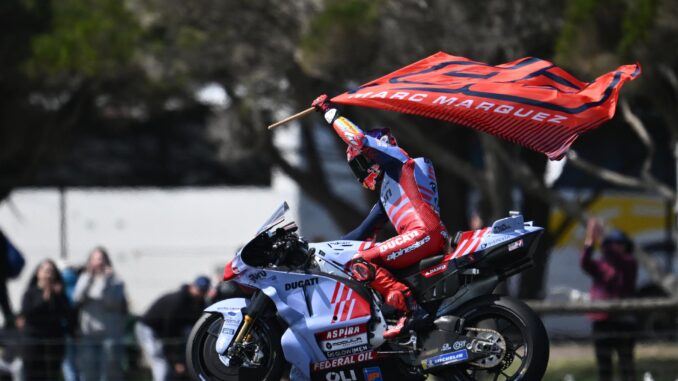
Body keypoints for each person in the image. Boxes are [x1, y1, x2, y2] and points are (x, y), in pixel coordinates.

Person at [311, 95, 449, 338]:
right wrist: (316, 251)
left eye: (360, 162)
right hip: (426, 235)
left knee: (360, 262)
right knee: (363, 259)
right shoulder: (390, 191)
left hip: (423, 234)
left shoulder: (397, 161)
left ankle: (412, 311)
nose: (361, 169)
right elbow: (360, 233)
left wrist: (329, 112)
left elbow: (358, 139)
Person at [580, 218, 638, 381]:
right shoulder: (599, 265)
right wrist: (590, 240)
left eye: (621, 243)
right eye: (613, 243)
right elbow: (584, 262)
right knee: (604, 366)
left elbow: (616, 260)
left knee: (626, 364)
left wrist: (599, 235)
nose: (617, 247)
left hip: (624, 322)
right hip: (602, 321)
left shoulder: (629, 263)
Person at [135, 276, 211, 381]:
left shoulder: (200, 303)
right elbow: (169, 333)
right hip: (149, 328)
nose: (201, 293)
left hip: (167, 332)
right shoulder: (178, 301)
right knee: (160, 359)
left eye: (204, 290)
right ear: (192, 287)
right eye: (199, 289)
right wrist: (176, 360)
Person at [73, 247, 128, 381]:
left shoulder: (116, 281)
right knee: (89, 371)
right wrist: (89, 279)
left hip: (109, 334)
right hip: (89, 334)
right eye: (95, 260)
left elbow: (111, 303)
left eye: (101, 259)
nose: (98, 263)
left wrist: (105, 281)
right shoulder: (84, 278)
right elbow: (77, 298)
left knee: (109, 372)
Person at [19, 259, 74, 380]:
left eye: (51, 272)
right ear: (38, 273)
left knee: (52, 375)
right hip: (33, 342)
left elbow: (67, 314)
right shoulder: (30, 293)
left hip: (53, 342)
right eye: (45, 271)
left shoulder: (59, 294)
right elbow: (27, 313)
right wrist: (44, 298)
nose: (48, 275)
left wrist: (58, 296)